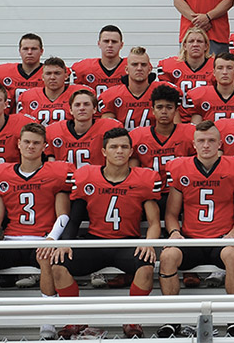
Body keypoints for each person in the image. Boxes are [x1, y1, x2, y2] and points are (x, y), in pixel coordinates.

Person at [50, 128, 161, 340]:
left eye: (124, 147)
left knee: (146, 266)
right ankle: (75, 319)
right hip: (95, 242)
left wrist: (149, 242)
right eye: (114, 147)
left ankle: (132, 320)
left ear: (131, 152)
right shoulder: (87, 177)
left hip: (127, 242)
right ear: (104, 151)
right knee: (58, 264)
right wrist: (65, 242)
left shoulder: (144, 179)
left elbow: (154, 222)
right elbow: (75, 219)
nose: (119, 151)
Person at [0, 123, 73, 341]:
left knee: (46, 257)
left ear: (45, 146)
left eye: (36, 143)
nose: (31, 146)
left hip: (41, 239)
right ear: (18, 144)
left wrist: (51, 239)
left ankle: (48, 321)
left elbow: (63, 214)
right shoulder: (3, 174)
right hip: (11, 240)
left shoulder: (55, 173)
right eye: (26, 141)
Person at [159, 121, 234, 335]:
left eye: (211, 141)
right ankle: (172, 319)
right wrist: (174, 232)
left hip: (221, 239)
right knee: (167, 256)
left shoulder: (233, 168)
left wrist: (233, 234)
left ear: (220, 143)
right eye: (201, 141)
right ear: (194, 144)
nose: (206, 145)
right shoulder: (181, 168)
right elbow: (172, 214)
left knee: (233, 253)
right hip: (191, 239)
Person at [129, 85, 196, 182]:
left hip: (180, 191)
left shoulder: (189, 133)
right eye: (159, 107)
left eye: (169, 107)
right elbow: (132, 173)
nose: (164, 112)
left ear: (175, 111)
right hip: (148, 191)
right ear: (153, 111)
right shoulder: (139, 136)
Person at [99, 47, 174, 129]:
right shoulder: (112, 95)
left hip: (153, 141)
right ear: (126, 69)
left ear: (150, 69)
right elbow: (107, 132)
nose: (139, 68)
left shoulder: (163, 91)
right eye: (134, 64)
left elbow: (173, 130)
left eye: (143, 65)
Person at [45, 89, 122, 168]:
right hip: (66, 179)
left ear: (94, 109)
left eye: (86, 104)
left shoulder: (108, 128)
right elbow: (51, 165)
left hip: (97, 179)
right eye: (77, 105)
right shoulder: (55, 131)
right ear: (71, 110)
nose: (82, 108)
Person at [17, 57, 90, 125]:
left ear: (66, 76)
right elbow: (23, 125)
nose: (52, 77)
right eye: (48, 73)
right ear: (42, 77)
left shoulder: (79, 95)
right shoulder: (28, 96)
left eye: (57, 73)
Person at [157, 26, 214, 113]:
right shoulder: (171, 66)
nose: (195, 44)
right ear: (184, 46)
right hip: (178, 116)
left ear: (206, 46)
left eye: (199, 41)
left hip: (206, 117)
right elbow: (166, 100)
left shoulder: (215, 66)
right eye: (191, 41)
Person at [0, 33, 46, 109]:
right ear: (20, 51)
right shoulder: (4, 72)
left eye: (34, 49)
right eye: (25, 49)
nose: (29, 52)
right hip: (12, 119)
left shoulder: (50, 74)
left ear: (41, 51)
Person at [70, 25, 127, 96]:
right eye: (106, 41)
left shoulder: (131, 67)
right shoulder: (85, 68)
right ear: (99, 43)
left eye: (114, 42)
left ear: (121, 45)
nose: (110, 45)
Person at [184, 53, 234, 123]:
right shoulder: (202, 95)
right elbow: (196, 129)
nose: (225, 72)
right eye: (220, 68)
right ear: (213, 72)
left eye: (229, 68)